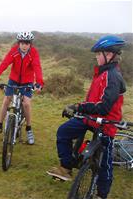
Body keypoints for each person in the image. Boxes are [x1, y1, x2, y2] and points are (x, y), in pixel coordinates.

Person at [47, 35, 126, 199]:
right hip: (90, 118)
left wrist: (79, 107)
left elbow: (104, 107)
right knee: (64, 131)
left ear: (109, 55)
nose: (96, 57)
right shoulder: (101, 73)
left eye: (98, 54)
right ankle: (66, 167)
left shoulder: (112, 76)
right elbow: (93, 100)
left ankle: (101, 194)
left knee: (105, 163)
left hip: (106, 123)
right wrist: (79, 108)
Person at [0, 31, 44, 145]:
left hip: (27, 81)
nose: (24, 45)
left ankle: (28, 129)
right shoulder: (14, 51)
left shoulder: (33, 52)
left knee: (26, 104)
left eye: (27, 43)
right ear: (19, 43)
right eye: (22, 43)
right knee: (6, 100)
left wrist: (39, 83)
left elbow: (37, 67)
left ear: (30, 44)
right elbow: (3, 65)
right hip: (13, 80)